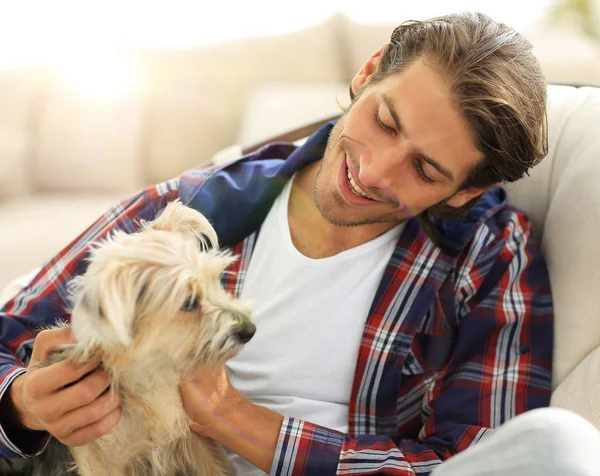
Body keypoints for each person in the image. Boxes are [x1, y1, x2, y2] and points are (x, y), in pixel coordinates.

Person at [0, 11, 574, 476]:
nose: (373, 171)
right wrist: (22, 403)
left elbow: (482, 459)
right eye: (385, 121)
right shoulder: (191, 208)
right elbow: (10, 337)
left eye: (423, 169)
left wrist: (232, 417)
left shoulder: (490, 260)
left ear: (465, 189)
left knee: (555, 447)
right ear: (369, 71)